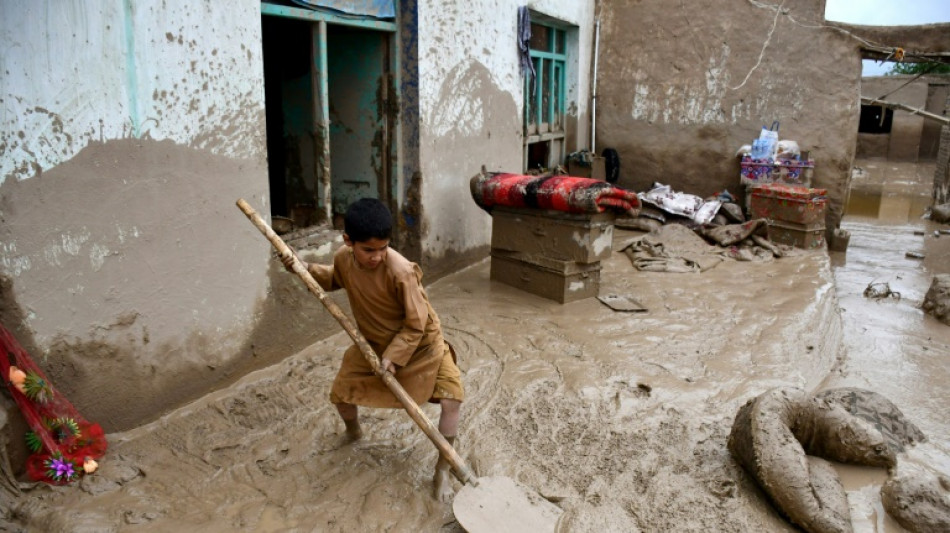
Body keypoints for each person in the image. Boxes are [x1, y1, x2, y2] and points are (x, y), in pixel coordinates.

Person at [281, 198, 465, 502]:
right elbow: (330, 279)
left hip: (420, 347)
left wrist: (393, 357)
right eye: (368, 250)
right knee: (341, 395)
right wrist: (301, 268)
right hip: (374, 346)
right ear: (348, 241)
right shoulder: (343, 259)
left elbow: (416, 324)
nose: (377, 257)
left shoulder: (402, 271)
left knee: (451, 402)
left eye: (383, 248)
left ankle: (443, 470)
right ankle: (353, 433)